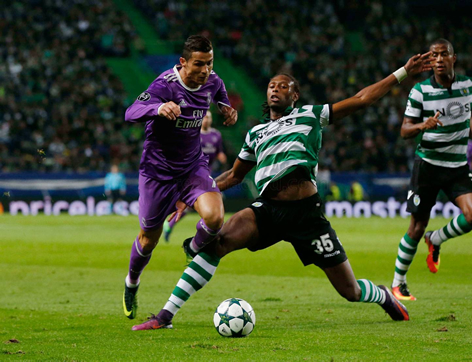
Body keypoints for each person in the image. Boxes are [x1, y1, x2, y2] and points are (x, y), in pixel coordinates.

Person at [131, 51, 433, 330]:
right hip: (267, 210)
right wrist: (190, 198)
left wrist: (404, 72)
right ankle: (164, 316)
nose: (275, 89)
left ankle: (382, 295)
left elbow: (362, 98)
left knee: (350, 291)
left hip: (306, 215)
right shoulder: (256, 133)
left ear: (295, 95)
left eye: (284, 86)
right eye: (272, 85)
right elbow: (234, 176)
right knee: (216, 244)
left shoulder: (311, 115)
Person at [122, 35, 238, 320]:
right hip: (157, 173)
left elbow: (219, 90)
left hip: (192, 168)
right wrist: (157, 108)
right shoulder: (164, 85)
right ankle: (131, 282)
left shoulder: (212, 80)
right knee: (149, 239)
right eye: (199, 64)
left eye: (209, 63)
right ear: (183, 62)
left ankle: (193, 246)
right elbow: (131, 112)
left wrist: (226, 108)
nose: (205, 70)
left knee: (214, 217)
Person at [391, 39, 472, 301]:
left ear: (453, 58)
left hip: (457, 165)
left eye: (444, 54)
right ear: (430, 61)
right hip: (428, 166)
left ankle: (437, 239)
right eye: (434, 56)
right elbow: (404, 130)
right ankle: (398, 283)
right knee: (416, 226)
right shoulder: (420, 91)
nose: (440, 59)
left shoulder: (470, 85)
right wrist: (423, 125)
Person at [162, 110, 227, 242]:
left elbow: (219, 152)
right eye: (205, 117)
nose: (207, 120)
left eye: (209, 117)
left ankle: (170, 223)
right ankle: (210, 233)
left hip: (208, 173)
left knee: (193, 205)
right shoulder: (194, 134)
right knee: (214, 199)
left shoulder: (216, 135)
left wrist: (223, 159)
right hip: (194, 173)